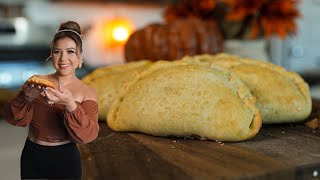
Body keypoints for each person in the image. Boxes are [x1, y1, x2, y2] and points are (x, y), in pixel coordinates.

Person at [4, 21, 99, 179]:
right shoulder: (35, 82)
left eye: (70, 52)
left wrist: (69, 104)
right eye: (57, 52)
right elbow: (13, 118)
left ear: (79, 56)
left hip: (65, 158)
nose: (63, 58)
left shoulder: (87, 92)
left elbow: (88, 135)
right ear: (51, 54)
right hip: (32, 156)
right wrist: (25, 98)